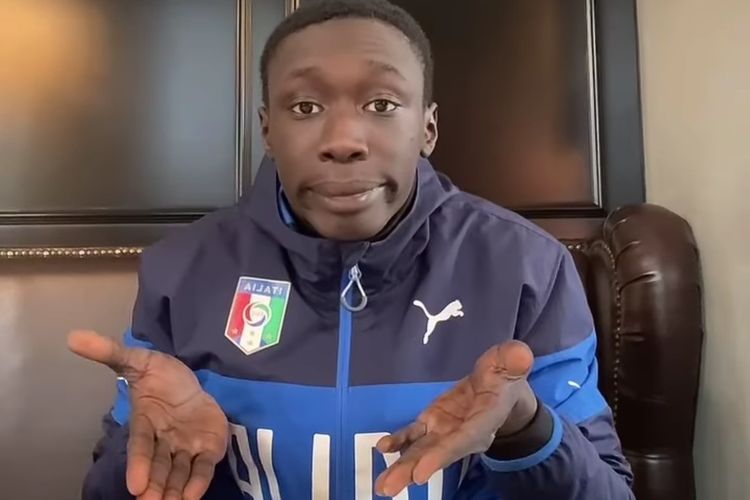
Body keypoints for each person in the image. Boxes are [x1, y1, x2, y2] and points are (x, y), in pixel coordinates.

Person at [69, 0, 635, 498]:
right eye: (305, 108)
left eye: (382, 104)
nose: (343, 141)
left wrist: (525, 429)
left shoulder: (527, 268)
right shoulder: (182, 271)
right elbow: (108, 492)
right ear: (267, 131)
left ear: (428, 128)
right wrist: (148, 451)